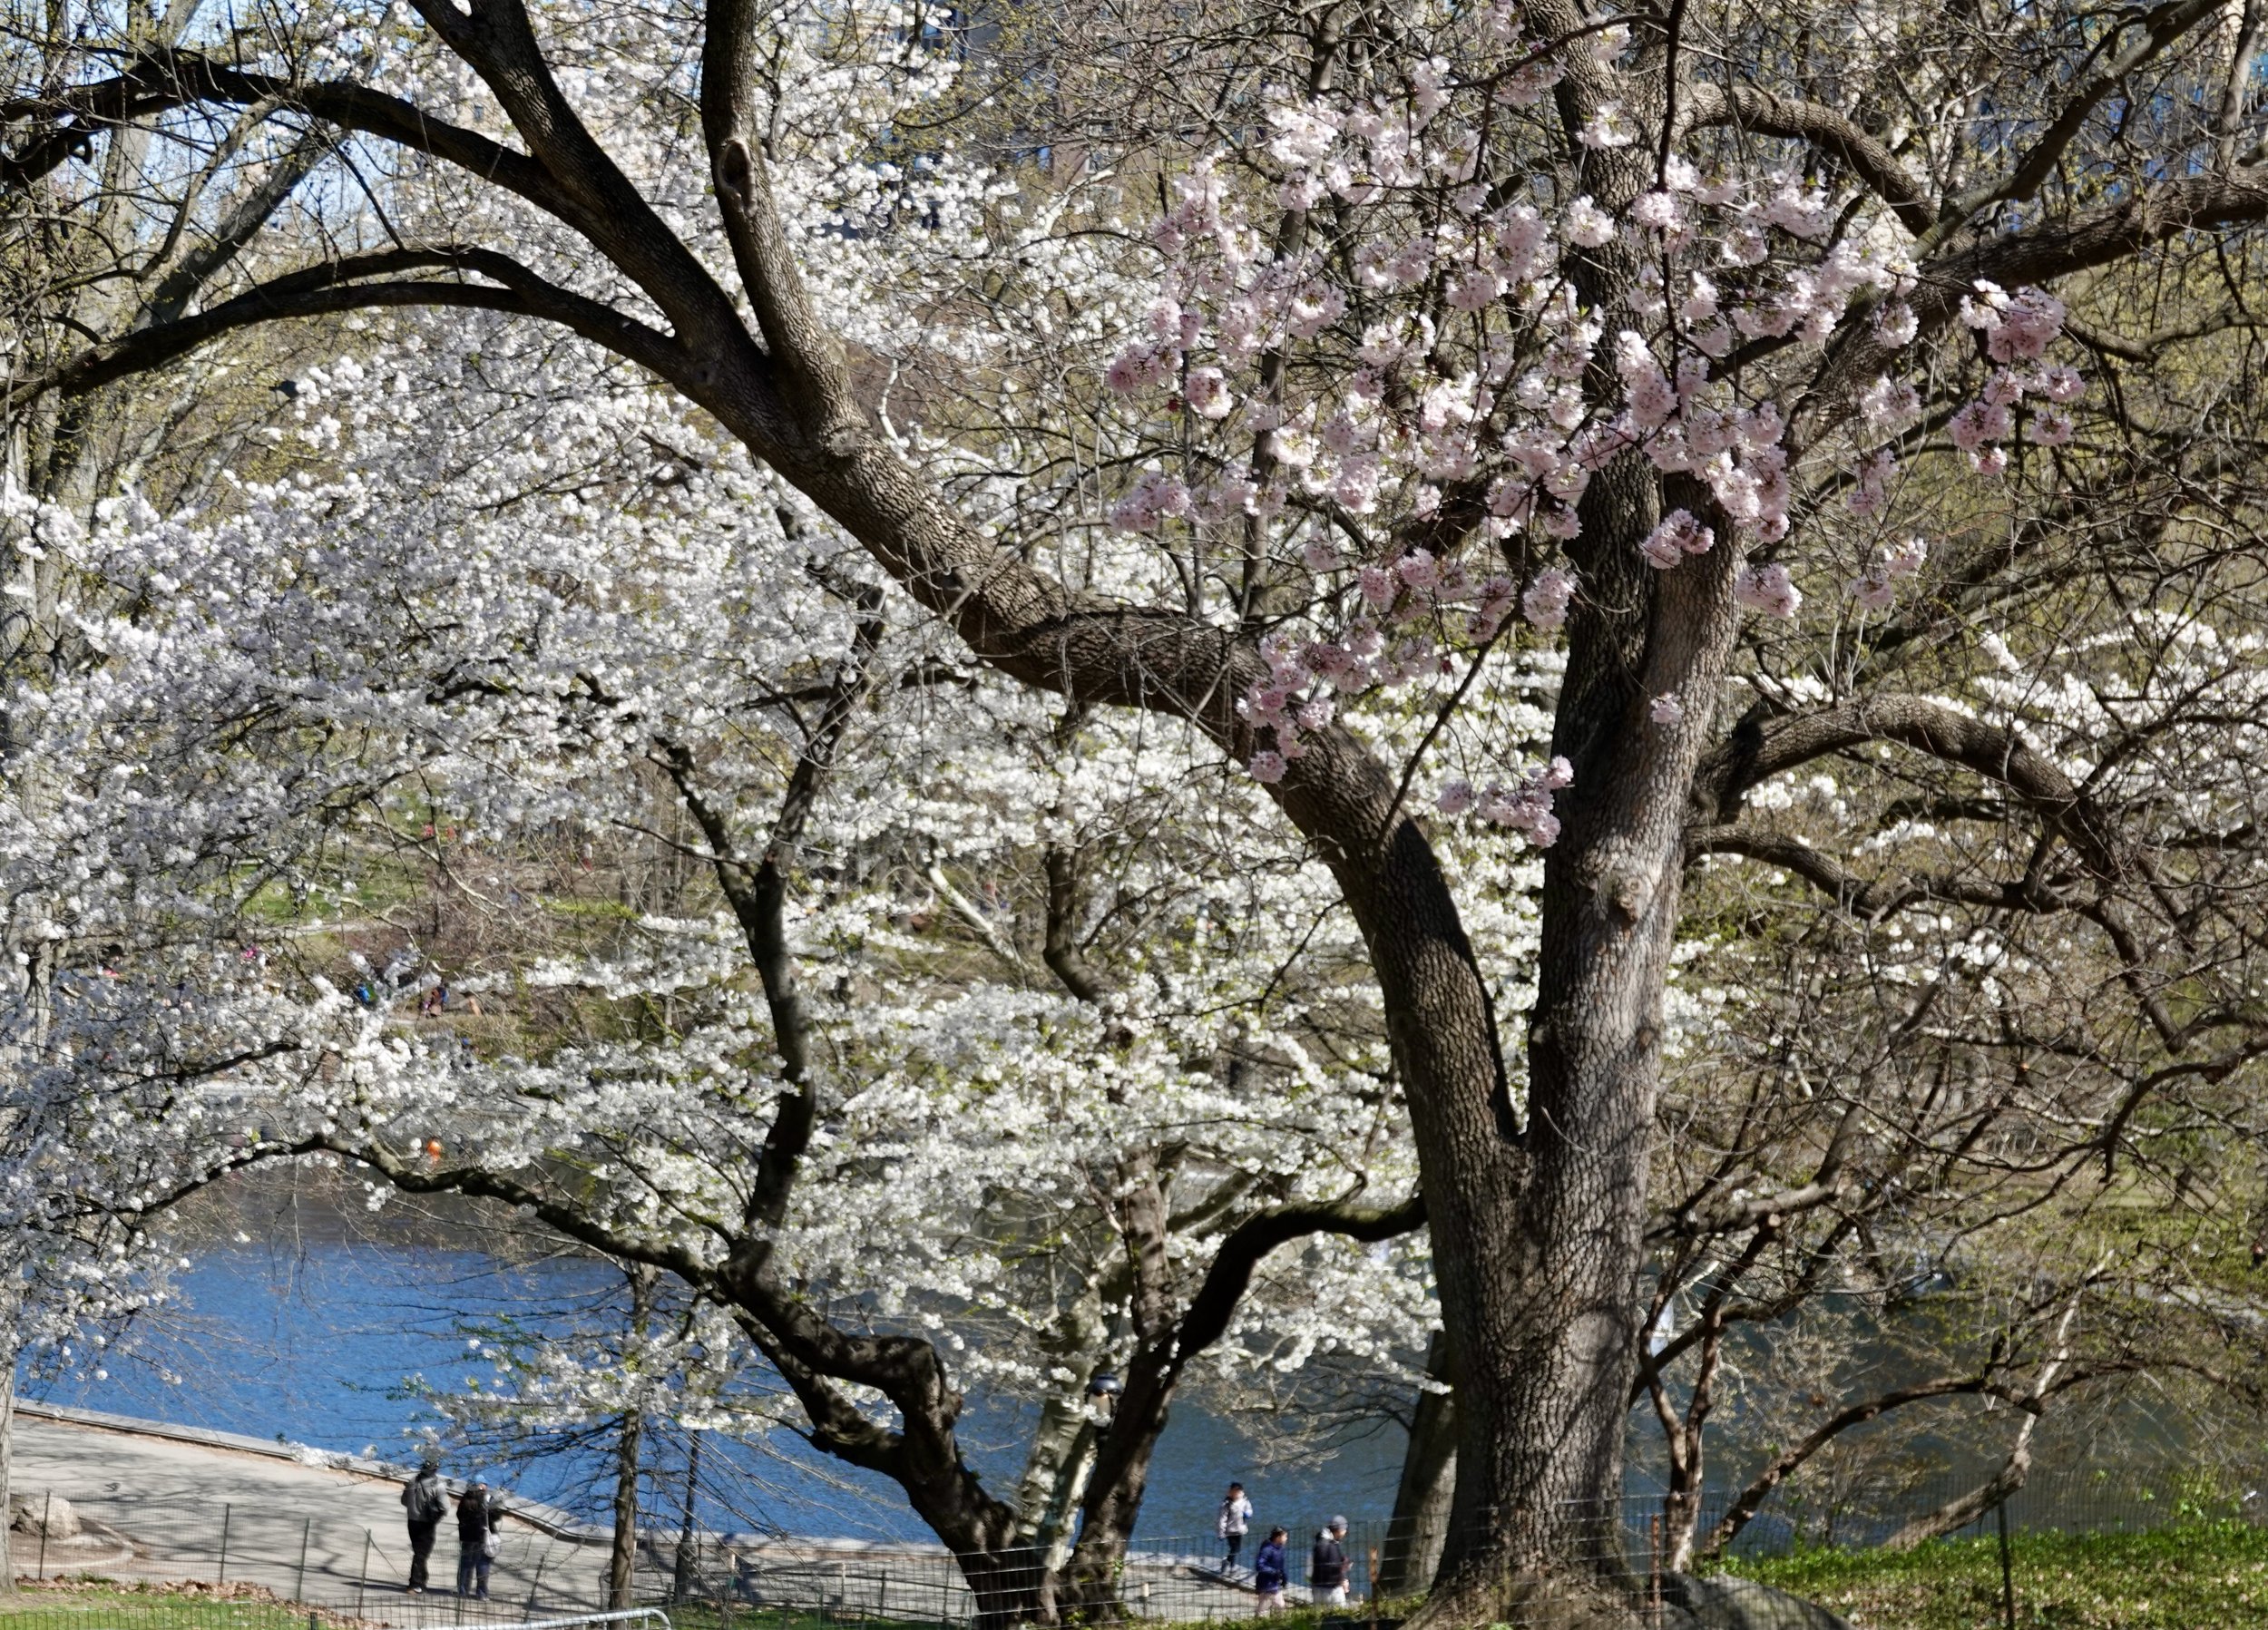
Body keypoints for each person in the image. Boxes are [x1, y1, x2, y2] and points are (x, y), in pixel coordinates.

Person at [400, 1458, 447, 1594]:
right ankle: (415, 1584)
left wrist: (414, 1507)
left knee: (419, 1552)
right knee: (421, 1553)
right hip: (426, 1522)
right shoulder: (437, 1485)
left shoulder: (412, 1481)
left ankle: (422, 1579)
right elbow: (445, 1506)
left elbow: (404, 1501)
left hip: (412, 1521)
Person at [455, 1480, 505, 1598]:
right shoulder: (486, 1500)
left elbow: (459, 1515)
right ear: (481, 1486)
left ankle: (462, 1590)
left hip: (467, 1536)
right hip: (482, 1536)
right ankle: (481, 1593)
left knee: (465, 1565)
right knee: (483, 1564)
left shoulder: (465, 1499)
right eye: (485, 1484)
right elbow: (494, 1517)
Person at [1310, 1516, 1351, 1607]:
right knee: (1340, 1613)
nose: (1345, 1532)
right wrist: (1342, 1579)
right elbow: (1332, 1567)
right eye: (1344, 1529)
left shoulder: (1320, 1543)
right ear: (1339, 1530)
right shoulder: (1330, 1545)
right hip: (1331, 1589)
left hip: (1317, 1586)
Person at [1217, 1481, 1254, 1571]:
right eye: (1235, 1492)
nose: (1237, 1494)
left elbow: (1249, 1510)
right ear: (1231, 1492)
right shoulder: (1226, 1504)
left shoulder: (1245, 1501)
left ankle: (1227, 1562)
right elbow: (1222, 1519)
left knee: (1237, 1549)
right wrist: (1221, 1533)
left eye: (1239, 1492)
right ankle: (1232, 1567)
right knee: (1234, 1548)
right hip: (1230, 1530)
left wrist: (1248, 1514)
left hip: (1240, 1529)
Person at [1253, 1526, 1289, 1613]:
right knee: (1266, 1607)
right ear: (1278, 1537)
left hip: (1275, 1583)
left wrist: (1284, 1578)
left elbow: (1281, 1566)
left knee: (1280, 1606)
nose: (1286, 1539)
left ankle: (1272, 1618)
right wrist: (1274, 1572)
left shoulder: (1280, 1549)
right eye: (1285, 1536)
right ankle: (1260, 1617)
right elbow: (1259, 1565)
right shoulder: (1267, 1550)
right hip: (1266, 1584)